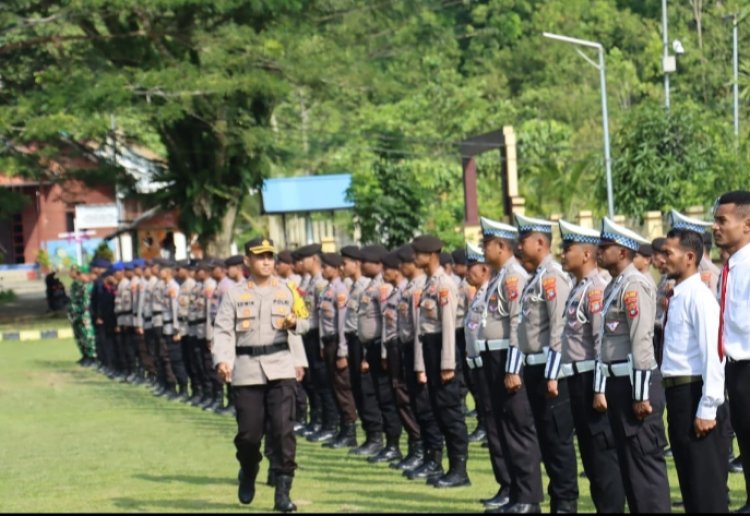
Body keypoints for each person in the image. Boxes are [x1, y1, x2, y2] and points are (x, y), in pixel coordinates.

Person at [212, 237, 309, 513]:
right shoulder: (234, 293)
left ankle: (282, 493)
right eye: (260, 256)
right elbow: (223, 330)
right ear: (247, 260)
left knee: (282, 432)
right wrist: (223, 360)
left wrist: (296, 325)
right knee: (249, 435)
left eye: (270, 256)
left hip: (281, 367)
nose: (266, 261)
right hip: (246, 369)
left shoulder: (289, 290)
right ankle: (248, 468)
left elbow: (304, 323)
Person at [595, 217, 671, 513]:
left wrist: (640, 394)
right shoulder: (615, 285)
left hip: (635, 384)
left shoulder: (634, 285)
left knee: (644, 468)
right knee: (629, 467)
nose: (599, 251)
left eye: (606, 246)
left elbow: (642, 341)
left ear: (623, 252)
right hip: (618, 382)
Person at [512, 213, 578, 513]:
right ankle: (557, 500)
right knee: (545, 439)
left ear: (540, 242)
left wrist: (552, 375)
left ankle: (565, 503)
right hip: (535, 367)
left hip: (551, 373)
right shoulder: (535, 278)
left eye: (523, 240)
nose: (518, 245)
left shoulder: (552, 277)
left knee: (557, 441)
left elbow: (559, 328)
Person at [558, 219, 624, 513]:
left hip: (591, 381)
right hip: (576, 378)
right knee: (590, 455)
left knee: (602, 457)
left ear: (586, 254)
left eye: (567, 247)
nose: (562, 253)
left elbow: (601, 343)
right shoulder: (579, 288)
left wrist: (599, 389)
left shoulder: (595, 289)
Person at [661, 226, 728, 513]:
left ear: (689, 257)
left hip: (695, 394)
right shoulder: (679, 294)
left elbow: (714, 353)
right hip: (678, 397)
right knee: (690, 487)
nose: (662, 259)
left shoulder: (698, 296)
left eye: (668, 253)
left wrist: (707, 407)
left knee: (706, 490)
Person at [413, 234, 470, 488]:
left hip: (442, 350)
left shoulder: (444, 284)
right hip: (430, 347)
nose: (415, 258)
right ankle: (447, 466)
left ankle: (459, 470)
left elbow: (448, 325)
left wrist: (448, 363)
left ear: (432, 255)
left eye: (419, 253)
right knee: (438, 409)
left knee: (450, 411)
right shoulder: (429, 283)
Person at [462, 239, 513, 511]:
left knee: (499, 427)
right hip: (480, 366)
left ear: (483, 270)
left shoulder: (491, 291)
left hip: (493, 365)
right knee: (492, 427)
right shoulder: (482, 292)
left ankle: (509, 485)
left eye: (472, 268)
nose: (467, 273)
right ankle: (504, 484)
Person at [713, 190, 750, 513]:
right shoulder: (731, 267)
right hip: (735, 367)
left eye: (722, 220)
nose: (715, 227)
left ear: (747, 223)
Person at [358, 244, 402, 464]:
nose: (360, 264)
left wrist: (384, 352)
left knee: (386, 397)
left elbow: (388, 321)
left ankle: (392, 444)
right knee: (378, 395)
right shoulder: (372, 286)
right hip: (372, 347)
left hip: (381, 347)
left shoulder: (383, 288)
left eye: (364, 261)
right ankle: (385, 442)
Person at [341, 245, 383, 457]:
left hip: (363, 343)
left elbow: (374, 323)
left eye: (345, 262)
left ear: (357, 263)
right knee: (357, 388)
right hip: (353, 340)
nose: (342, 266)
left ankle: (376, 436)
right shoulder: (355, 286)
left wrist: (366, 355)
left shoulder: (369, 286)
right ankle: (369, 435)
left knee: (367, 391)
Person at [381, 251, 422, 463]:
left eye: (386, 268)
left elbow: (413, 327)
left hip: (402, 346)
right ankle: (414, 447)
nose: (382, 272)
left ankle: (418, 447)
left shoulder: (411, 291)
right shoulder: (399, 292)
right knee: (400, 397)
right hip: (394, 348)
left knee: (406, 398)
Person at [297, 244, 338, 443]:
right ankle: (318, 420)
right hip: (308, 333)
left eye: (303, 259)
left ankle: (329, 423)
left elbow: (322, 314)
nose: (300, 263)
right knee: (313, 380)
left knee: (323, 381)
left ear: (313, 259)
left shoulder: (320, 284)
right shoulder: (311, 282)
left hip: (317, 334)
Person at [318, 252, 359, 449]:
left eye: (326, 266)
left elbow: (342, 322)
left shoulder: (340, 290)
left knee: (342, 387)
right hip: (327, 342)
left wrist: (342, 350)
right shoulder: (327, 289)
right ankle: (343, 429)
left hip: (336, 341)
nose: (323, 269)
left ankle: (349, 430)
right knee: (334, 386)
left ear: (334, 269)